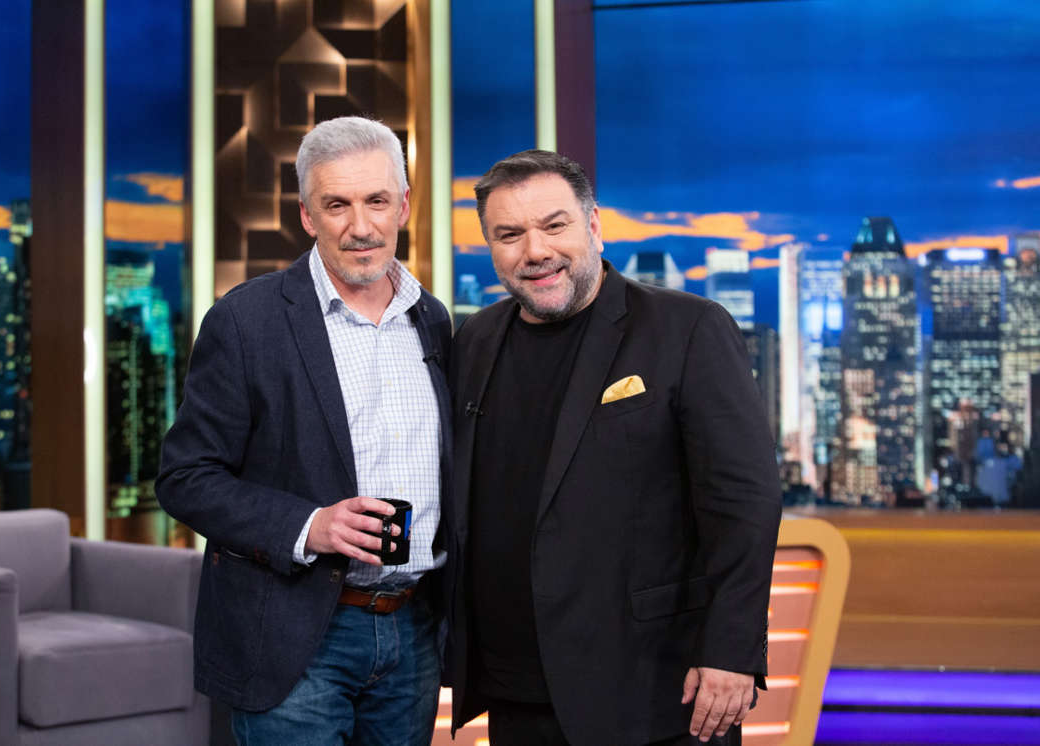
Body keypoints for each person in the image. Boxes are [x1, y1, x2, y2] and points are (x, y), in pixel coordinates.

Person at [448, 150, 782, 746]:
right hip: (514, 689)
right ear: (490, 248)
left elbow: (744, 503)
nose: (535, 251)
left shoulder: (688, 328)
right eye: (510, 235)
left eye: (554, 226)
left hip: (654, 689)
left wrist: (731, 651)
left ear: (594, 226)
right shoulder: (475, 338)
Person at [157, 116, 452, 745]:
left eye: (377, 201)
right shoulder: (246, 320)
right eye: (337, 205)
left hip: (413, 632)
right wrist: (309, 526)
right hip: (294, 636)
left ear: (404, 205)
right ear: (307, 216)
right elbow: (185, 477)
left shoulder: (433, 320)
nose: (361, 226)